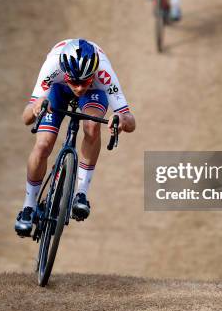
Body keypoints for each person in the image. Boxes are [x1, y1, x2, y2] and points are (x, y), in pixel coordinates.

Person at [15, 39, 136, 236]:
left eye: (84, 81)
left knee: (92, 126)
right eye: (74, 81)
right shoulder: (53, 66)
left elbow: (131, 121)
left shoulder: (102, 72)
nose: (79, 88)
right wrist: (38, 106)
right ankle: (28, 207)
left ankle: (81, 193)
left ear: (93, 73)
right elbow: (26, 118)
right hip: (57, 90)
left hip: (94, 94)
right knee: (43, 145)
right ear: (64, 72)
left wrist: (120, 118)